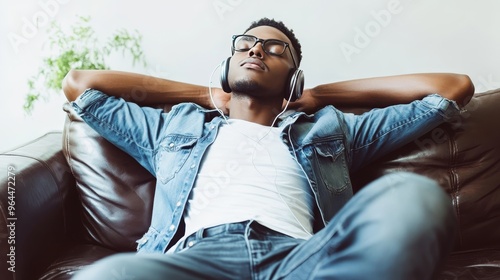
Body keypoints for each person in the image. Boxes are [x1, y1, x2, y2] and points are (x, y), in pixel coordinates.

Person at [63, 18, 474, 280]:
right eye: (245, 45)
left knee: (412, 195)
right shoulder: (176, 127)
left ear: (293, 79)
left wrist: (318, 95)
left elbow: (452, 89)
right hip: (199, 259)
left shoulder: (328, 130)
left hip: (302, 260)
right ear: (228, 65)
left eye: (276, 49)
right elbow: (79, 84)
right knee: (108, 276)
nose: (256, 49)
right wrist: (207, 94)